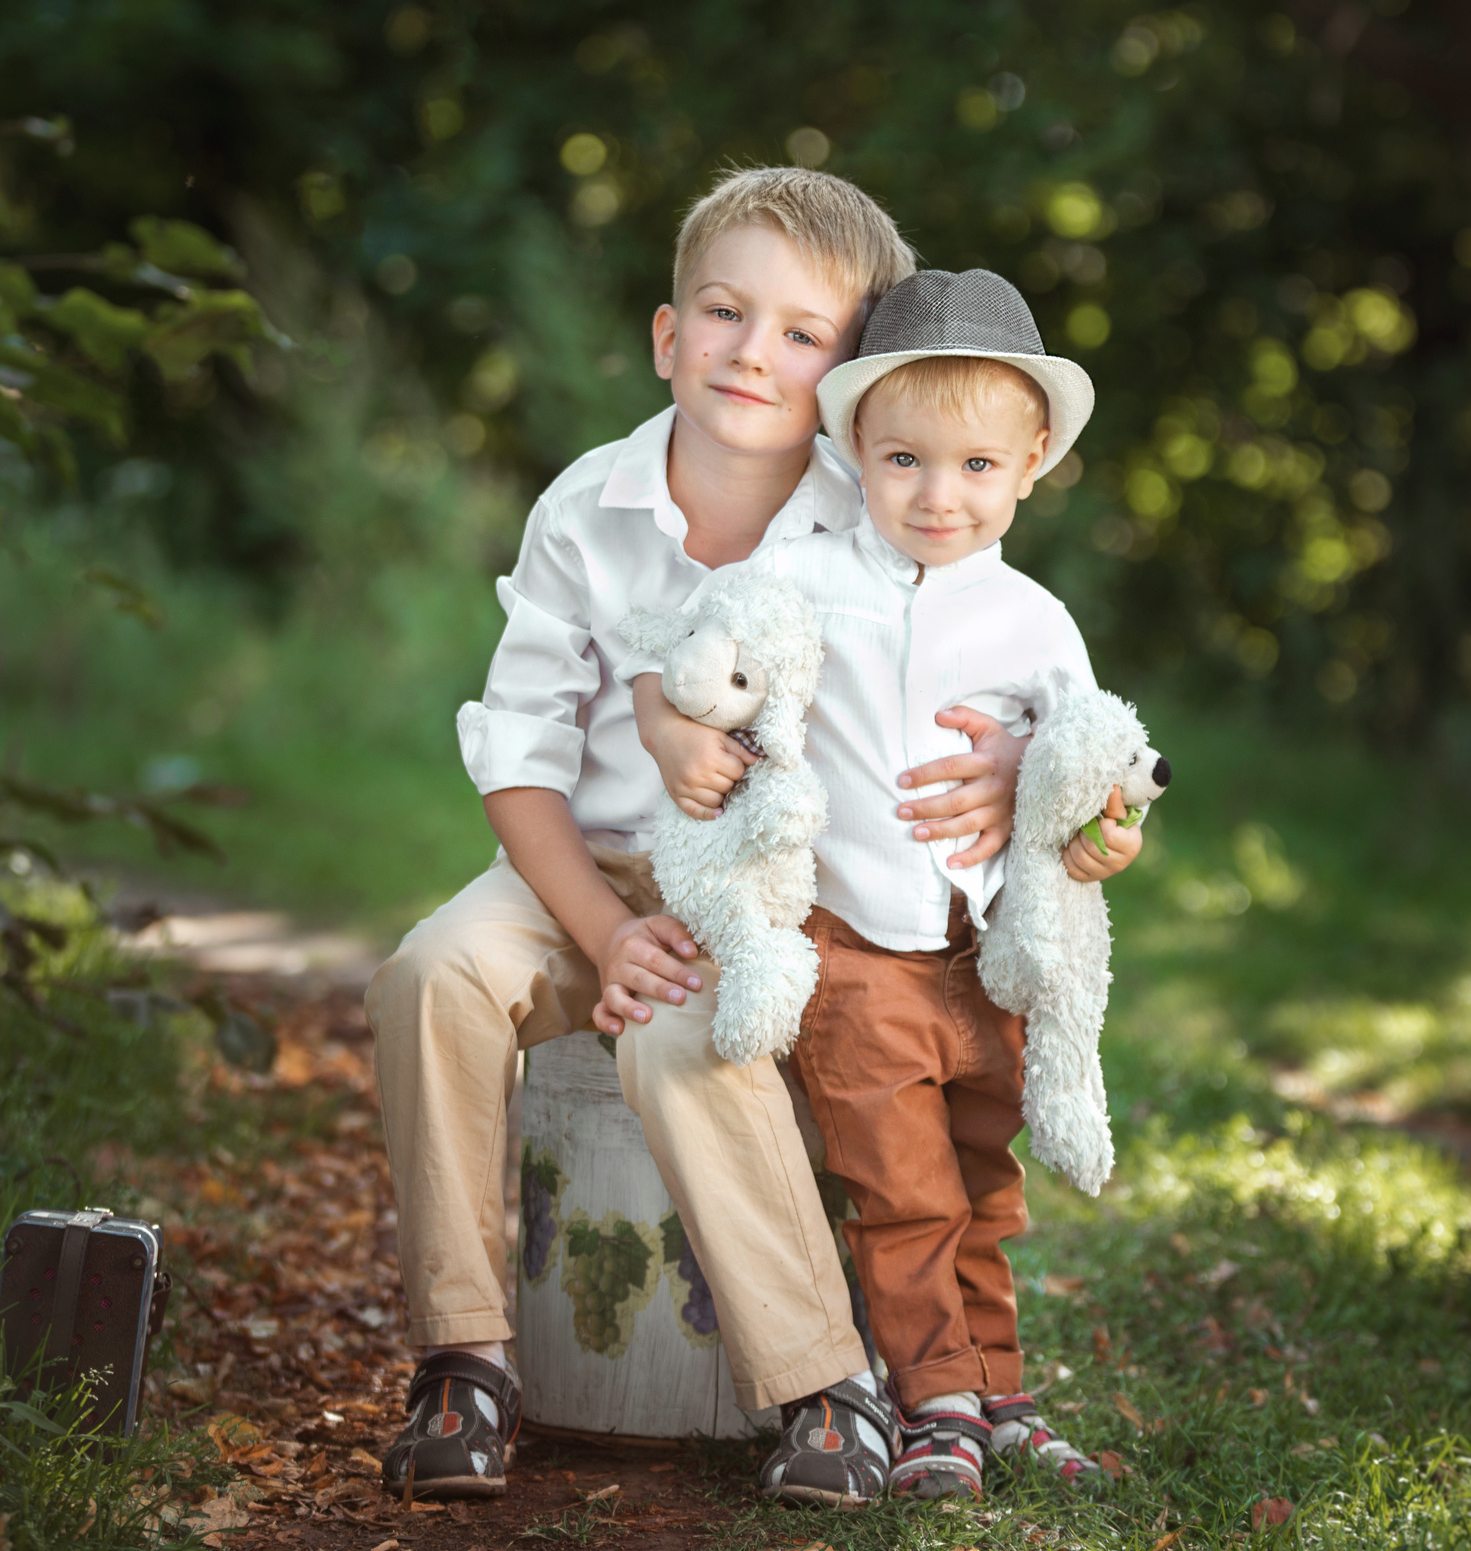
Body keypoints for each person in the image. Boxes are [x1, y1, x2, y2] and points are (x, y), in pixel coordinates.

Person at [367, 169, 1030, 1506]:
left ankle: (820, 1382)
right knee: (430, 973)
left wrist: (1021, 761)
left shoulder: (875, 514)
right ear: (670, 335)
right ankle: (464, 1358)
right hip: (571, 870)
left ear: (849, 378)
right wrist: (601, 928)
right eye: (725, 312)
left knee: (692, 1034)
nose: (752, 352)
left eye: (802, 333)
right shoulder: (585, 509)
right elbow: (521, 751)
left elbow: (996, 644)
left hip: (756, 901)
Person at [630, 268, 1147, 1500]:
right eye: (905, 459)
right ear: (855, 445)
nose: (937, 494)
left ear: (1030, 466)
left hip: (991, 952)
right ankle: (938, 1404)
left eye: (976, 467)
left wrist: (1099, 832)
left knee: (982, 1183)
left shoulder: (1035, 619)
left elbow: (1106, 767)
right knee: (902, 1190)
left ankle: (1003, 1389)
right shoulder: (808, 579)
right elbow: (690, 652)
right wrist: (670, 722)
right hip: (854, 943)